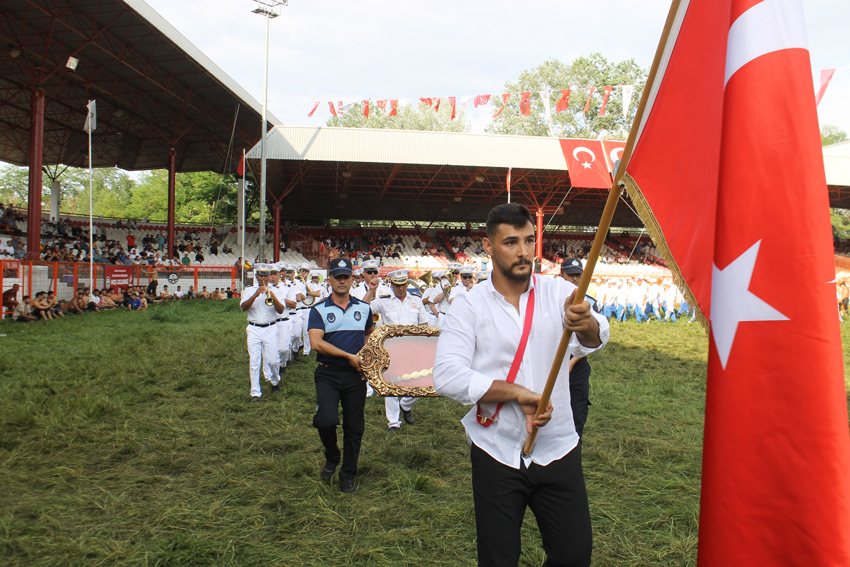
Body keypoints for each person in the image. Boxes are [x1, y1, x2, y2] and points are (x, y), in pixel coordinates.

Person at [434, 203, 609, 567]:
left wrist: (585, 322)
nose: (524, 251)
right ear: (488, 246)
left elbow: (597, 337)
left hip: (557, 446)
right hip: (496, 449)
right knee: (499, 559)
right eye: (511, 242)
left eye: (529, 240)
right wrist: (516, 393)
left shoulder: (558, 291)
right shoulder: (468, 305)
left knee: (574, 555)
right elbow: (448, 375)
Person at [308, 257, 374, 493]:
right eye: (338, 277)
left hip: (355, 376)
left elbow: (369, 335)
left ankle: (348, 474)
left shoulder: (364, 308)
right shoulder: (318, 310)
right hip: (328, 374)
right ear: (330, 280)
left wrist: (365, 357)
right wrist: (348, 356)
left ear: (352, 279)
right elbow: (316, 343)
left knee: (354, 427)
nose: (342, 281)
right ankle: (332, 454)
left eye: (346, 276)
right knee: (325, 420)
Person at [370, 268, 429, 432]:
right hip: (392, 349)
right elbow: (364, 309)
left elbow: (424, 324)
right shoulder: (384, 300)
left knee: (419, 385)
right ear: (391, 284)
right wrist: (371, 290)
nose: (401, 288)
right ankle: (394, 422)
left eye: (403, 284)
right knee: (390, 385)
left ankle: (406, 405)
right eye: (397, 285)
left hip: (413, 348)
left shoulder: (416, 300)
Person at [558, 258, 597, 439]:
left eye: (577, 275)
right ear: (561, 274)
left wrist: (574, 361)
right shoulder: (551, 299)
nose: (574, 279)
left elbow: (595, 339)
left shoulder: (589, 303)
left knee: (576, 416)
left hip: (577, 366)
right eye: (570, 274)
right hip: (554, 363)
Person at [240, 263, 285, 401]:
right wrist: (255, 295)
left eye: (266, 275)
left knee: (272, 360)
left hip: (270, 328)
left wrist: (272, 296)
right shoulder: (248, 290)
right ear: (257, 276)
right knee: (254, 361)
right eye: (261, 275)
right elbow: (243, 307)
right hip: (253, 328)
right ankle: (255, 392)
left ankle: (275, 380)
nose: (264, 278)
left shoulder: (276, 290)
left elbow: (281, 310)